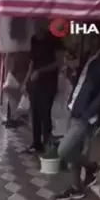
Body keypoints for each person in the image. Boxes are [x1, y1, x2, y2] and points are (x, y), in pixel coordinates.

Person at [54, 21, 100, 200]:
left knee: (63, 150)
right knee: (74, 151)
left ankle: (92, 167)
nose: (93, 39)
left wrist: (89, 113)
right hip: (75, 109)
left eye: (97, 35)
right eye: (91, 35)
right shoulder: (91, 55)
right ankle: (75, 188)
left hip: (84, 115)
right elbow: (83, 82)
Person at [21, 25, 65, 153]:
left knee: (45, 112)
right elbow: (32, 63)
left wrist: (40, 71)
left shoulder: (54, 39)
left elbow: (59, 62)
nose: (36, 26)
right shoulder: (33, 40)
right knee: (35, 112)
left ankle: (48, 144)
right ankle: (36, 143)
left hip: (49, 82)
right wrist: (25, 82)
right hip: (35, 83)